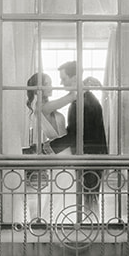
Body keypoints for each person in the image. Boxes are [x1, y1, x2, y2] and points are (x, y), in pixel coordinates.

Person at [48, 62, 108, 218]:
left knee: (88, 202)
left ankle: (90, 231)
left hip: (90, 159)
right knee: (88, 202)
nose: (61, 83)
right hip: (91, 158)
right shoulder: (84, 99)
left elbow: (75, 136)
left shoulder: (84, 102)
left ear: (74, 78)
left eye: (63, 78)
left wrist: (47, 147)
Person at [23, 71, 66, 154]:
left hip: (59, 149)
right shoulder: (44, 108)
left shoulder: (42, 106)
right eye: (47, 84)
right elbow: (72, 96)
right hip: (61, 151)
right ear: (38, 89)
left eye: (51, 84)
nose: (51, 87)